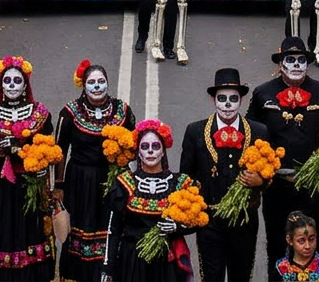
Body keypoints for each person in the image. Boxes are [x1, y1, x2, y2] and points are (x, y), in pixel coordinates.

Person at [246, 38, 319, 280]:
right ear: (281, 64)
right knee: (278, 246)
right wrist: (258, 173)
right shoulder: (263, 94)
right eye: (290, 60)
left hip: (313, 186)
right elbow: (250, 138)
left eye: (301, 60)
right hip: (277, 187)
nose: (296, 65)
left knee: (315, 246)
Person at [179, 67, 269, 282]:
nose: (228, 104)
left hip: (244, 220)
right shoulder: (195, 131)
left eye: (233, 99)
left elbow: (269, 171)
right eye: (222, 98)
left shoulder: (259, 131)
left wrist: (261, 181)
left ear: (241, 101)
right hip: (210, 221)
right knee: (212, 277)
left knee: (241, 276)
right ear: (214, 100)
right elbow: (185, 176)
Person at [0, 55, 56, 279]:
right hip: (0, 183)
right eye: (7, 81)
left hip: (30, 181)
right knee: (2, 223)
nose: (12, 86)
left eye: (17, 81)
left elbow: (49, 148)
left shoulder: (39, 113)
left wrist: (43, 171)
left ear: (25, 85)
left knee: (30, 226)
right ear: (1, 85)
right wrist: (1, 147)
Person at [53, 60, 134, 282]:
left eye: (101, 81)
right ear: (83, 85)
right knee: (80, 226)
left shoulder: (123, 110)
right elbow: (59, 151)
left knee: (112, 225)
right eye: (91, 82)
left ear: (107, 83)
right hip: (80, 181)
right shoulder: (69, 112)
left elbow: (135, 144)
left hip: (113, 180)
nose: (97, 86)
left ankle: (109, 273)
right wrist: (58, 185)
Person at [101, 118, 197, 282]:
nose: (150, 151)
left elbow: (196, 221)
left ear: (163, 151)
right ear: (138, 152)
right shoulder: (124, 183)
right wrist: (107, 268)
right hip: (132, 261)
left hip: (166, 262)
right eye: (145, 147)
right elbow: (114, 229)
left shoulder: (180, 183)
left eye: (156, 146)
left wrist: (177, 227)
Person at [273, 211, 319, 282]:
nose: (307, 246)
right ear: (290, 240)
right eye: (301, 241)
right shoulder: (282, 267)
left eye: (311, 239)